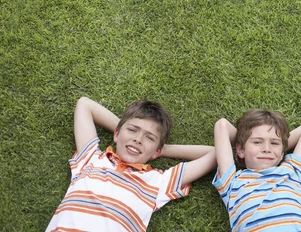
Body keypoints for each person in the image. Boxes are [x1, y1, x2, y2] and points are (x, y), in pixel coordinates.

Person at [46, 96, 216, 232]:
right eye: (133, 130)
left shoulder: (157, 182)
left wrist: (161, 149)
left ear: (156, 151)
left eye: (149, 137)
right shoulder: (91, 158)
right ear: (116, 134)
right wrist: (123, 132)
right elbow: (85, 104)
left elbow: (216, 154)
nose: (138, 139)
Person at [213, 109, 301, 231]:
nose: (267, 149)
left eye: (274, 143)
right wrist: (244, 142)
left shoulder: (293, 170)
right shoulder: (232, 181)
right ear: (239, 150)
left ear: (283, 152)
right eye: (257, 142)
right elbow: (222, 125)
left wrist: (277, 146)